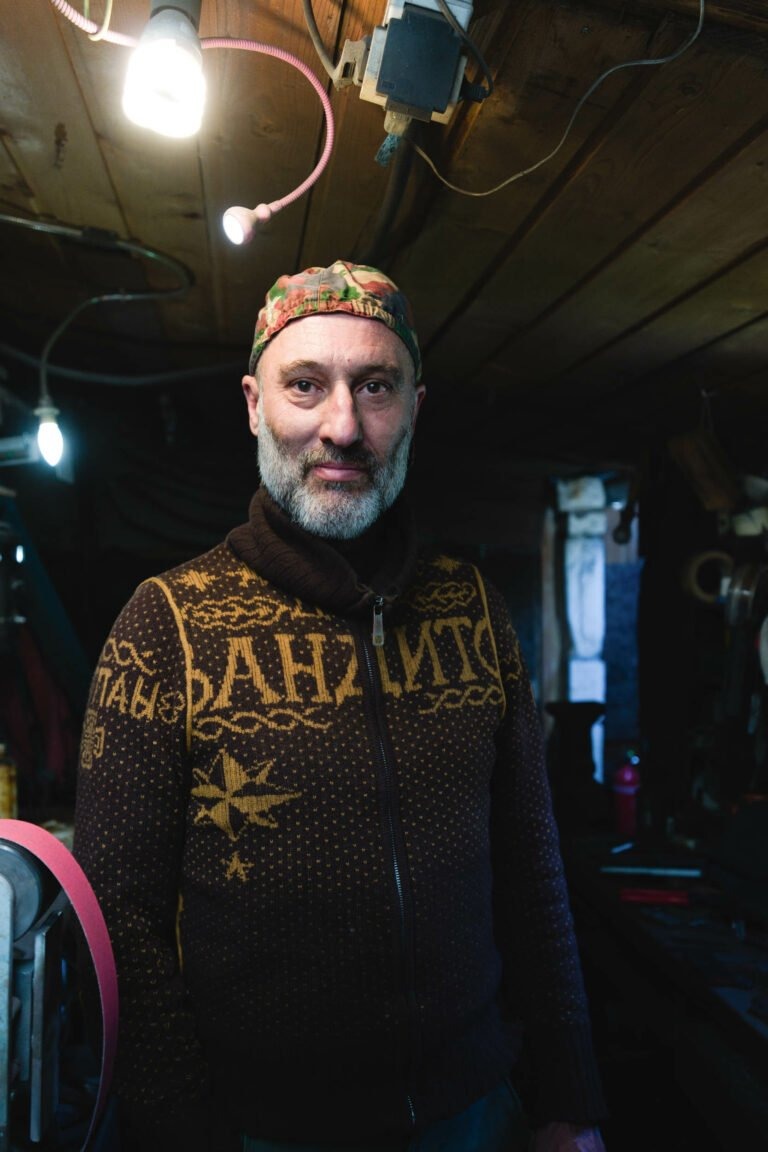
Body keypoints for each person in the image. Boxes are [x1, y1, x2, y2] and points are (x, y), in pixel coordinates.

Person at [73, 261, 608, 1152]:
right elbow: (118, 924)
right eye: (307, 385)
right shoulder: (165, 624)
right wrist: (184, 1135)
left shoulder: (474, 611)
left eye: (376, 386)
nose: (344, 427)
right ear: (253, 404)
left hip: (478, 1115)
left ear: (415, 408)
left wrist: (570, 1098)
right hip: (261, 1134)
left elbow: (533, 872)